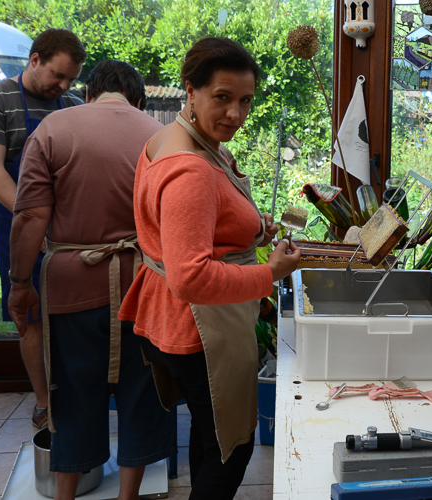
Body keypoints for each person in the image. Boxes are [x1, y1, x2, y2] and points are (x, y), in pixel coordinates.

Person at [117, 37, 300, 499]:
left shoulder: (165, 140)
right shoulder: (191, 170)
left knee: (208, 428)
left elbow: (195, 225)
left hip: (161, 318)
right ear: (191, 90)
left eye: (246, 100)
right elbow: (192, 277)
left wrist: (253, 228)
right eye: (222, 97)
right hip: (199, 328)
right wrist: (271, 273)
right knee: (231, 448)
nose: (235, 114)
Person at [7, 60, 176, 500]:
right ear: (139, 101)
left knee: (72, 394)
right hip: (144, 286)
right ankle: (128, 496)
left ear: (87, 94)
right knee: (143, 393)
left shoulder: (53, 129)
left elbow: (30, 216)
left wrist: (20, 283)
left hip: (72, 287)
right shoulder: (163, 136)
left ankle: (64, 495)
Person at [0, 29, 85, 429]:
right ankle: (44, 401)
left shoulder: (72, 107)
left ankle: (75, 394)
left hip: (68, 227)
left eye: (71, 79)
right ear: (34, 60)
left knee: (73, 314)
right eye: (58, 75)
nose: (64, 86)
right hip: (16, 220)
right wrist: (35, 224)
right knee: (30, 315)